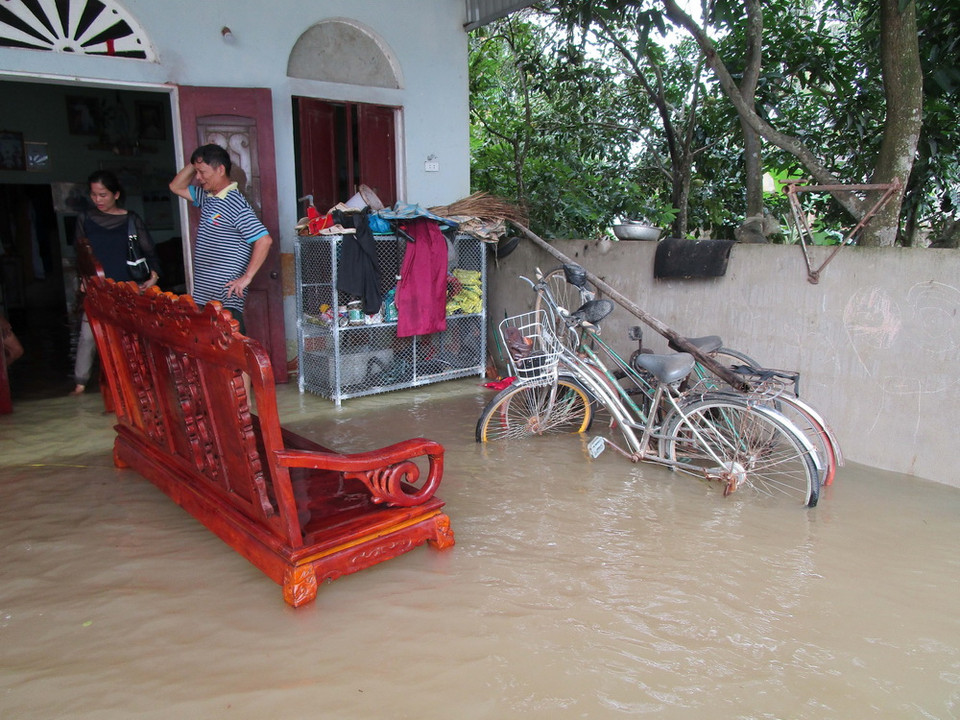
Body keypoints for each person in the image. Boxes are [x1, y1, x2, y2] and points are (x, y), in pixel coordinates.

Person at [71, 170, 160, 396]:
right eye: (94, 195)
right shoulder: (85, 219)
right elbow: (80, 255)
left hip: (128, 286)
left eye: (103, 195)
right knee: (89, 335)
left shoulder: (131, 219)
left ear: (116, 194)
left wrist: (154, 276)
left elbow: (150, 251)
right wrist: (82, 280)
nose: (98, 200)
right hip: (97, 287)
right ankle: (80, 384)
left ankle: (135, 385)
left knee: (130, 336)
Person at [168, 144, 273, 333]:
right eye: (197, 172)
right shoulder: (208, 197)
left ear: (221, 169)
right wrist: (196, 162)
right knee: (210, 355)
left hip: (225, 299)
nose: (198, 178)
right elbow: (175, 186)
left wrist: (246, 278)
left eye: (202, 172)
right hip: (204, 296)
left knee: (231, 355)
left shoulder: (235, 203)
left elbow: (264, 240)